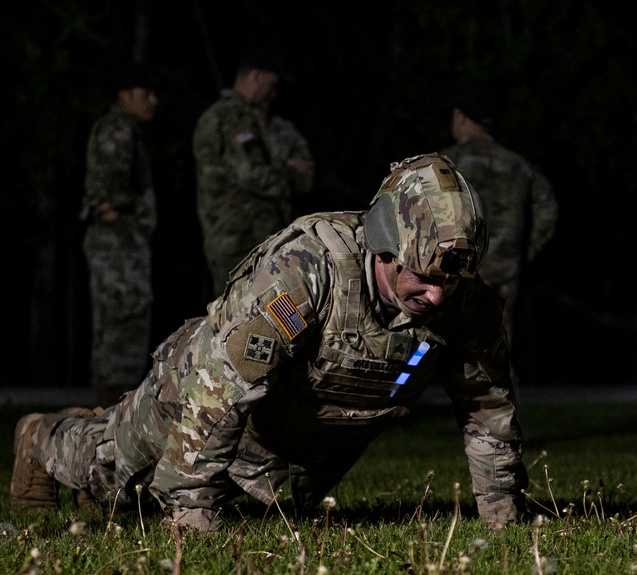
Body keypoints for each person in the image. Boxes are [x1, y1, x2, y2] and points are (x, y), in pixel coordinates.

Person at [11, 153, 527, 532]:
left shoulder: (464, 303)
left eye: (451, 281)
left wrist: (502, 512)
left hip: (275, 440)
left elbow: (488, 407)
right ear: (385, 247)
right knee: (107, 472)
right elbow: (223, 386)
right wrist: (192, 511)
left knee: (150, 504)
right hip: (195, 391)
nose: (437, 295)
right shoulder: (305, 273)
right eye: (421, 277)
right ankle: (41, 437)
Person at [440, 90, 558, 347]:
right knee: (496, 337)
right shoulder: (518, 164)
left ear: (460, 118)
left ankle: (402, 384)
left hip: (457, 265)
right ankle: (495, 384)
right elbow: (547, 209)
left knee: (438, 334)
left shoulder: (447, 163)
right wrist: (524, 250)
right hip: (505, 263)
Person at [193, 46, 314, 297]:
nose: (275, 92)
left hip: (267, 239)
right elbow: (250, 175)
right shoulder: (227, 117)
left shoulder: (276, 126)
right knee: (237, 316)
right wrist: (287, 170)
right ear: (257, 76)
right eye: (272, 83)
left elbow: (307, 176)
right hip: (236, 240)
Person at [80, 64, 160, 408]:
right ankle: (109, 414)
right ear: (125, 95)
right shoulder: (118, 130)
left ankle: (114, 413)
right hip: (116, 241)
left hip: (120, 239)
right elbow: (107, 190)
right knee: (121, 321)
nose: (154, 101)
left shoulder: (125, 130)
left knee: (124, 320)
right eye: (147, 93)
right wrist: (111, 206)